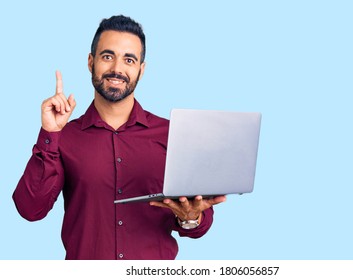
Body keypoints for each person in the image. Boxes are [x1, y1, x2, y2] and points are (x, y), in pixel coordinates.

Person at [13, 15, 226, 260]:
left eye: (129, 59)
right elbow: (30, 209)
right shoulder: (65, 137)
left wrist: (190, 218)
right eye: (107, 56)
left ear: (141, 69)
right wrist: (50, 134)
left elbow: (200, 223)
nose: (117, 68)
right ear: (90, 61)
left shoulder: (173, 134)